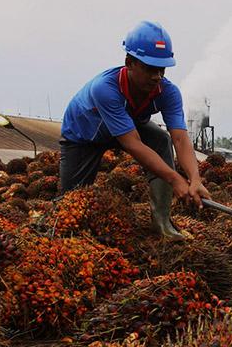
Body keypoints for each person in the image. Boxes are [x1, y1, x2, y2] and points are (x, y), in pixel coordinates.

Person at [60, 20, 210, 240]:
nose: (157, 76)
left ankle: (162, 223)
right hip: (85, 135)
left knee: (161, 140)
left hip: (128, 124)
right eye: (150, 68)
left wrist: (194, 177)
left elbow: (180, 138)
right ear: (129, 63)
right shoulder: (106, 88)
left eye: (162, 69)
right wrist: (175, 179)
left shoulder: (168, 92)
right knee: (70, 204)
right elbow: (132, 144)